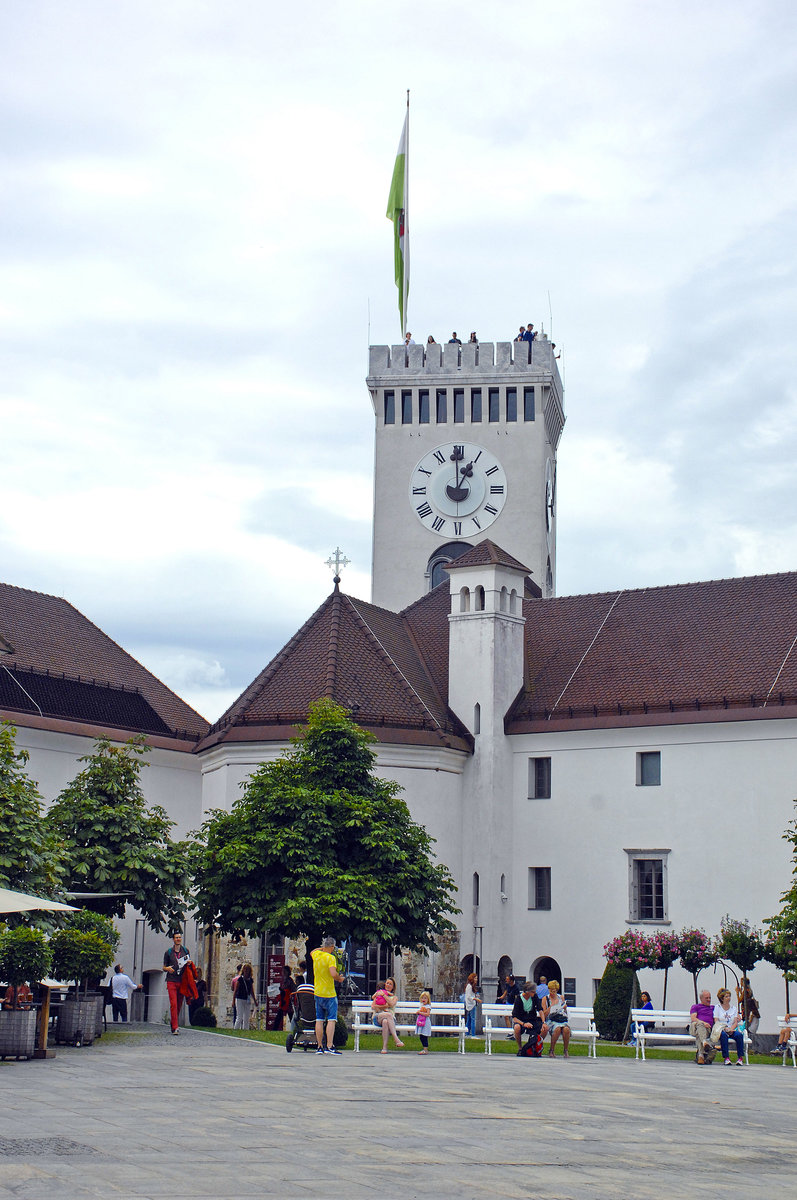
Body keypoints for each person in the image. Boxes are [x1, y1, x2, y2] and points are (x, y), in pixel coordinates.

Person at [311, 936, 344, 1055]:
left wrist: (323, 947)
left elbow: (312, 951)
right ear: (332, 947)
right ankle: (329, 1045)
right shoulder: (331, 958)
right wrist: (339, 978)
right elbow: (333, 973)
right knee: (331, 1019)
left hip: (318, 992)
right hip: (329, 993)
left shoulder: (317, 956)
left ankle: (319, 1046)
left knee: (319, 1019)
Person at [162, 931, 191, 1035]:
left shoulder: (185, 950)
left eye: (179, 937)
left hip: (182, 980)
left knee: (179, 1004)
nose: (178, 939)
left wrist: (189, 963)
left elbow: (189, 964)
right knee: (173, 1004)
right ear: (173, 939)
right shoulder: (168, 952)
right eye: (176, 937)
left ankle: (173, 1022)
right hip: (171, 980)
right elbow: (163, 967)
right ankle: (175, 1027)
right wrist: (167, 968)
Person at [710, 987, 745, 1065]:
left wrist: (731, 1029)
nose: (728, 998)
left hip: (731, 1029)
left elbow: (735, 1022)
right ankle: (726, 1058)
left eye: (729, 996)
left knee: (739, 1035)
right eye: (726, 996)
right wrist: (725, 1029)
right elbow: (716, 1021)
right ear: (722, 998)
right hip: (721, 1029)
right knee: (723, 1036)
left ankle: (740, 1058)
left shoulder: (733, 1008)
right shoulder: (717, 1008)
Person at [512, 980, 547, 1056]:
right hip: (521, 1021)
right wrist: (524, 1024)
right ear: (528, 991)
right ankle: (520, 1048)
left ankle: (535, 1045)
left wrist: (543, 1022)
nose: (534, 994)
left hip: (532, 1020)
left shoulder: (534, 997)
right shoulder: (519, 998)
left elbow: (540, 1010)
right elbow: (514, 1017)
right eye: (533, 992)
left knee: (545, 1028)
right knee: (517, 1028)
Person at [371, 976, 404, 1053]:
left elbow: (392, 1004)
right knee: (388, 1015)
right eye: (387, 983)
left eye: (390, 984)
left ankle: (384, 1048)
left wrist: (384, 995)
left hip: (391, 1020)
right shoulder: (378, 994)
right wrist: (385, 1006)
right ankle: (396, 1039)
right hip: (378, 1017)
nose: (388, 985)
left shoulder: (394, 997)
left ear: (393, 987)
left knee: (386, 1021)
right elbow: (373, 1006)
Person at [690, 989, 717, 1064]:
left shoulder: (713, 1008)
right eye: (706, 998)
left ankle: (701, 1056)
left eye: (710, 998)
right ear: (701, 999)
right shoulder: (696, 1007)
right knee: (699, 1024)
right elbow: (693, 1018)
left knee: (700, 1034)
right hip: (694, 1028)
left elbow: (725, 1011)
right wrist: (703, 1023)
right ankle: (705, 1043)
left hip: (707, 1030)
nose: (709, 1000)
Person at [545, 980, 571, 1058]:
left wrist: (564, 1008)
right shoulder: (545, 998)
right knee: (557, 1029)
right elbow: (544, 1013)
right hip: (551, 1020)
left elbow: (564, 1010)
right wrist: (551, 1007)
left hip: (560, 1018)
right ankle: (551, 1050)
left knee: (566, 1029)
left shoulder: (561, 997)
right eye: (551, 990)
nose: (553, 993)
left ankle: (566, 1050)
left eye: (554, 991)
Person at [269, 966, 296, 1031]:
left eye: (284, 971)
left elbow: (293, 990)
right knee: (280, 1015)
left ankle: (295, 1028)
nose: (283, 973)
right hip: (283, 1000)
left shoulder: (289, 980)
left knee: (290, 1015)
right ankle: (275, 1029)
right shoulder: (284, 980)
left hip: (288, 1001)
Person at [233, 963, 256, 1030]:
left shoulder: (250, 980)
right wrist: (233, 1001)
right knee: (239, 1017)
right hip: (239, 998)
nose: (246, 971)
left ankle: (245, 1030)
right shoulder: (240, 979)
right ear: (243, 970)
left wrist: (254, 1000)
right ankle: (236, 1029)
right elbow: (235, 990)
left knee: (246, 1017)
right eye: (245, 969)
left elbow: (252, 991)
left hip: (247, 999)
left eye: (248, 970)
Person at [464, 972, 481, 1036]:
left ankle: (467, 1033)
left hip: (471, 1004)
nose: (476, 979)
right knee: (473, 1019)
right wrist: (476, 999)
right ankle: (473, 1034)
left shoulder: (470, 986)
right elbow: (468, 997)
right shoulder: (469, 986)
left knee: (469, 1019)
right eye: (475, 978)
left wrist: (476, 997)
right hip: (471, 1005)